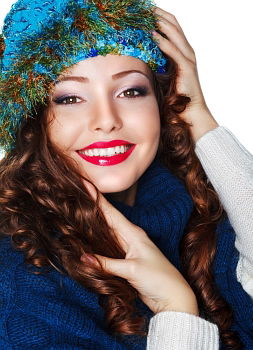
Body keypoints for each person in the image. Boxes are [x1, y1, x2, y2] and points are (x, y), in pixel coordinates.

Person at [0, 0, 252, 349]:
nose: (106, 119)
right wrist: (176, 309)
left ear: (163, 101)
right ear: (34, 119)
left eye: (131, 91)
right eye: (70, 98)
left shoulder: (199, 209)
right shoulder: (19, 280)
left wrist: (198, 114)